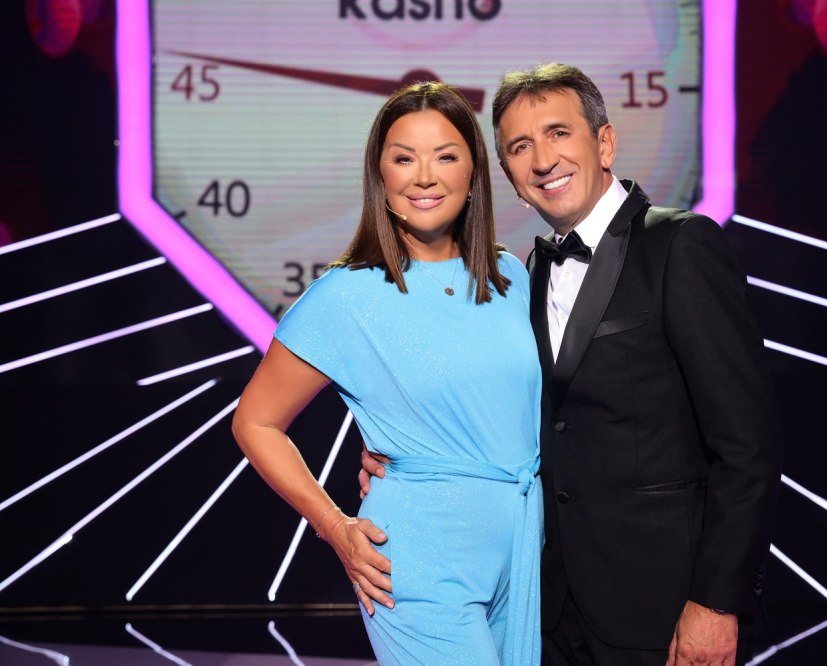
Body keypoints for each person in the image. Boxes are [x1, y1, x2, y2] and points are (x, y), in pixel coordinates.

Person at [362, 64, 783, 665]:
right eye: (520, 147)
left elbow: (748, 446)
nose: (542, 160)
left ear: (604, 143)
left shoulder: (680, 246)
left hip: (665, 610)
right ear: (508, 174)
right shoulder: (524, 277)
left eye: (558, 133)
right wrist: (406, 460)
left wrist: (717, 603)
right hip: (550, 609)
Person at [232, 82, 543, 666]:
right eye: (404, 158)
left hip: (526, 549)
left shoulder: (510, 277)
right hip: (417, 557)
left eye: (445, 156)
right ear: (381, 176)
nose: (424, 176)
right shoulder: (345, 295)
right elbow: (255, 422)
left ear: (474, 172)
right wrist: (334, 526)